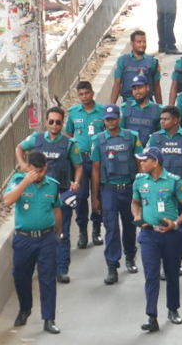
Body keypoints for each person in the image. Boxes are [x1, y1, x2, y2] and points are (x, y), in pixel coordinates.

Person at [132, 148, 182, 332]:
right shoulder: (139, 181)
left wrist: (176, 223)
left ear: (155, 162)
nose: (141, 164)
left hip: (170, 235)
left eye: (145, 161)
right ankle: (152, 316)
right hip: (149, 235)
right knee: (151, 276)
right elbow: (135, 202)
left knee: (171, 273)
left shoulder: (174, 181)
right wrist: (137, 215)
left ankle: (173, 309)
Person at [17, 106, 82, 284]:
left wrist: (76, 183)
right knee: (38, 232)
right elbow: (19, 148)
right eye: (51, 121)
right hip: (37, 193)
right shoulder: (37, 139)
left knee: (62, 232)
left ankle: (62, 269)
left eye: (58, 122)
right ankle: (44, 268)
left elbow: (78, 167)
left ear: (63, 123)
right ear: (46, 122)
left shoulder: (70, 144)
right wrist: (23, 164)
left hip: (60, 194)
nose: (54, 125)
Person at [4, 150, 62, 334]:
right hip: (24, 239)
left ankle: (49, 318)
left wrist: (58, 235)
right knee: (20, 276)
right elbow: (7, 201)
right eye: (35, 171)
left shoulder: (52, 185)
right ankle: (25, 308)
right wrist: (25, 182)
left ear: (46, 168)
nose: (38, 175)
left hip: (46, 238)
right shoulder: (18, 181)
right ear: (28, 168)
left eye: (41, 171)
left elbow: (57, 211)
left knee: (47, 278)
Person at [90, 104, 142, 285]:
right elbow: (95, 170)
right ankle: (112, 266)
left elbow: (140, 163)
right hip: (109, 190)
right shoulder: (98, 140)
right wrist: (95, 197)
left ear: (119, 118)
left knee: (130, 225)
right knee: (111, 228)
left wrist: (141, 191)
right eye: (107, 119)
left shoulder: (131, 137)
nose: (110, 122)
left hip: (128, 188)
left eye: (113, 118)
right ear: (104, 121)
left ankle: (130, 256)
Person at [64, 82, 106, 249]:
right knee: (80, 196)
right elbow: (68, 133)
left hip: (98, 158)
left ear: (92, 93)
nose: (84, 96)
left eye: (87, 93)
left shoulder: (102, 112)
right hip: (79, 160)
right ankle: (83, 231)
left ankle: (97, 229)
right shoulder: (74, 113)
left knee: (98, 194)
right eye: (81, 94)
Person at [111, 29, 161, 105]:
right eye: (139, 42)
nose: (142, 45)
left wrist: (160, 107)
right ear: (132, 43)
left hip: (148, 104)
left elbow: (156, 86)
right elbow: (117, 84)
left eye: (144, 42)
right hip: (128, 103)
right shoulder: (122, 60)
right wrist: (112, 105)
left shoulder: (153, 61)